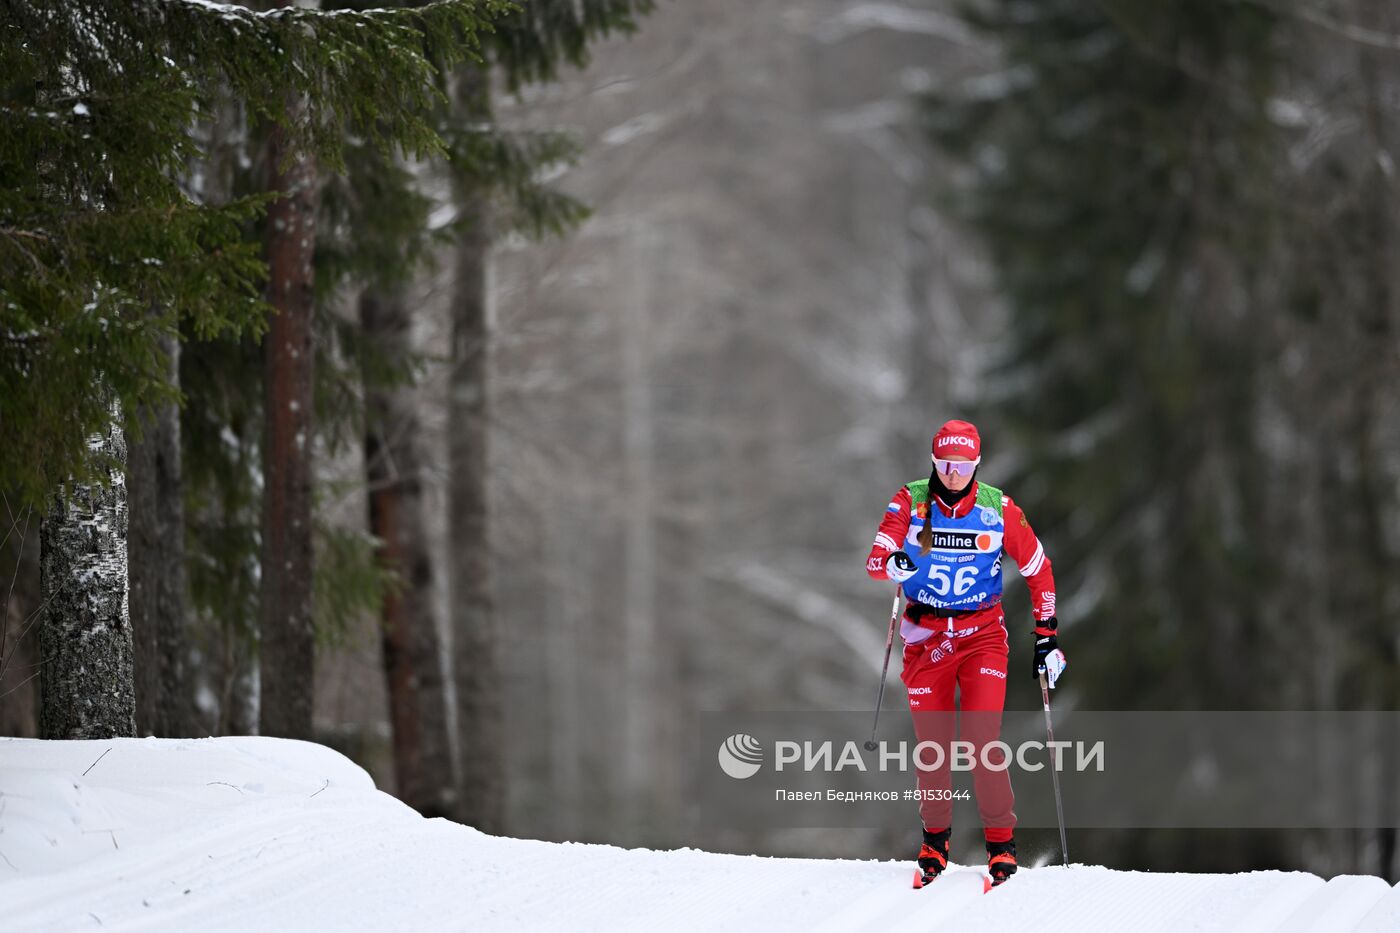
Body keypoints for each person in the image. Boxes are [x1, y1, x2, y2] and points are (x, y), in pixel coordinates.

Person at [865, 419, 1065, 886]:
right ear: (934, 462)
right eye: (946, 465)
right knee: (933, 748)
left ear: (977, 464)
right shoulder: (910, 500)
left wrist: (1046, 634)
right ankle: (935, 843)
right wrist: (894, 560)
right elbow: (876, 562)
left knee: (981, 739)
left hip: (982, 637)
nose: (954, 475)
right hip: (925, 638)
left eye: (964, 466)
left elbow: (1039, 569)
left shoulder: (998, 508)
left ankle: (1001, 847)